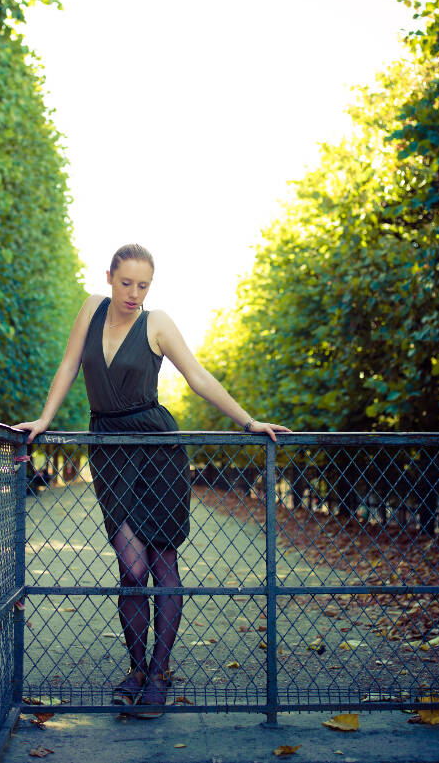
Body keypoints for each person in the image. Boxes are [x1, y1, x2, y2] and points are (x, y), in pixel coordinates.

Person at [14, 243, 290, 717]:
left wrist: (249, 422)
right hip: (108, 447)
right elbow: (68, 365)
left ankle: (158, 673)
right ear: (109, 277)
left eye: (143, 285)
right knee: (130, 565)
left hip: (157, 447)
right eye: (126, 283)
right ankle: (136, 667)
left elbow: (197, 375)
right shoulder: (91, 309)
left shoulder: (157, 321)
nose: (134, 294)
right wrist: (43, 420)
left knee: (161, 562)